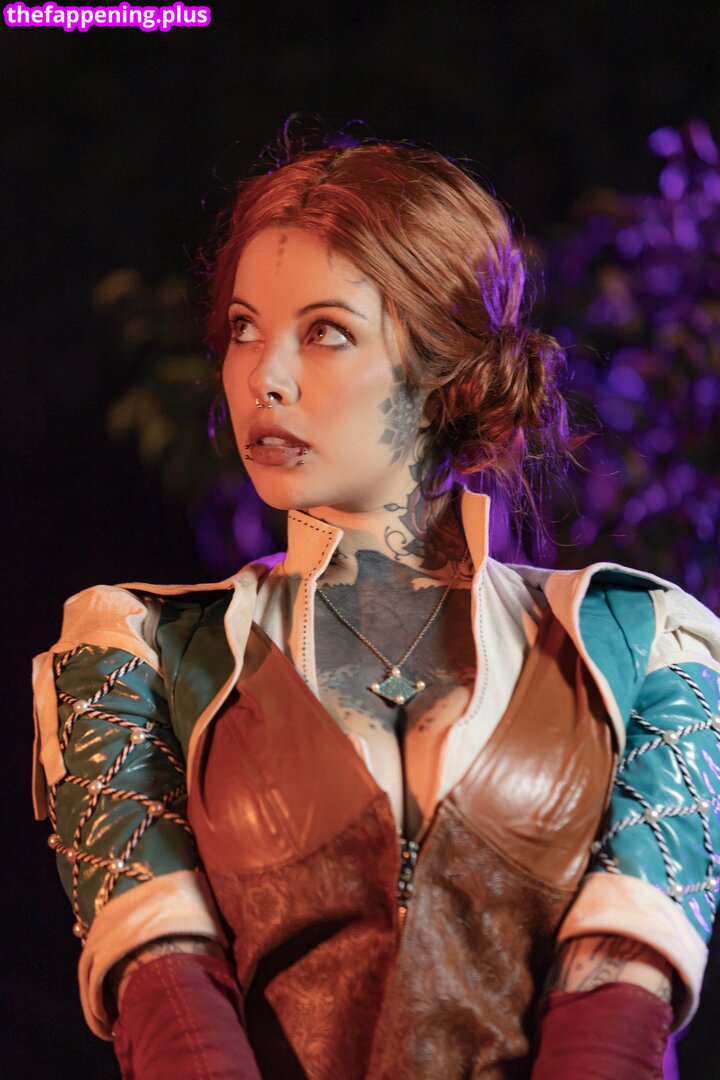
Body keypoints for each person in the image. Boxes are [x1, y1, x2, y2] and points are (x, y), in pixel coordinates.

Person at [33, 140, 720, 1079]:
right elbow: (167, 1002)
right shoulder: (138, 651)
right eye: (243, 328)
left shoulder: (640, 645)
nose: (264, 376)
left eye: (325, 332)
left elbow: (620, 1007)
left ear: (447, 373)